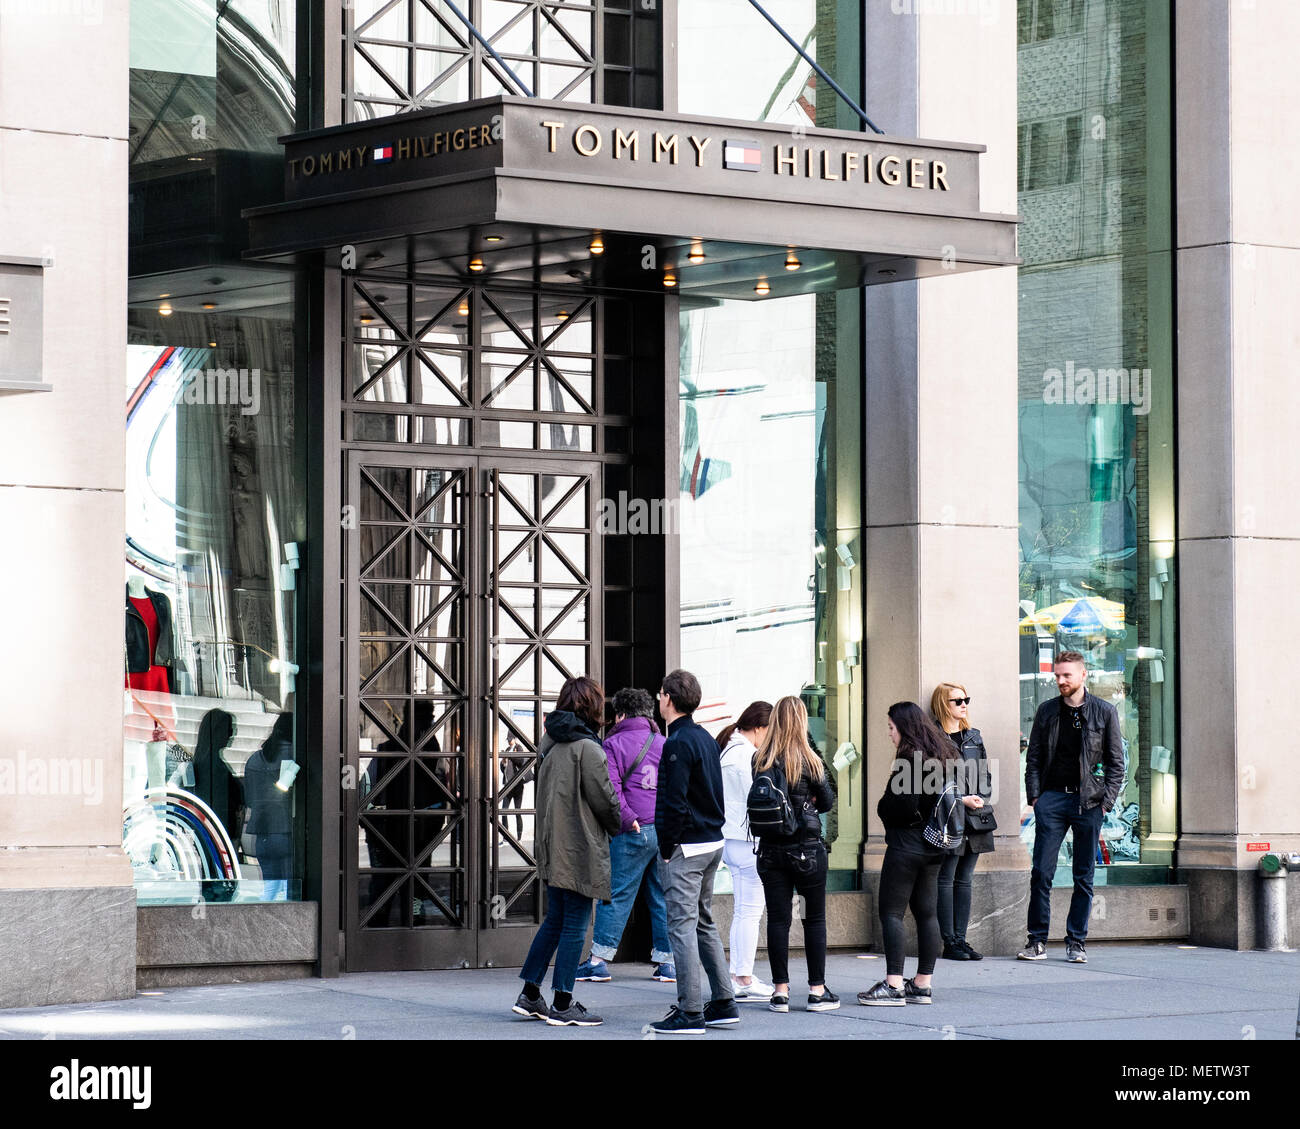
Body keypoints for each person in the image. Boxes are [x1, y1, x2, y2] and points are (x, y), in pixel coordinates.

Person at [512, 676, 621, 1027]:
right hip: (579, 845)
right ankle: (562, 1003)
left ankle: (530, 994)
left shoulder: (548, 740)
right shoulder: (589, 749)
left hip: (551, 843)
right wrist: (618, 822)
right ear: (592, 708)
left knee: (555, 920)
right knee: (576, 924)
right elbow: (604, 799)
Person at [1019, 650, 1124, 964]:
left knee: (1083, 876)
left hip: (1088, 802)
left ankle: (1076, 942)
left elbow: (1116, 764)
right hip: (1051, 800)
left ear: (1082, 675)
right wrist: (1036, 798)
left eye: (1066, 675)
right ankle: (1036, 941)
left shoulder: (1104, 712)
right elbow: (1034, 758)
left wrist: (1105, 802)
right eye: (1057, 675)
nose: (1060, 680)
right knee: (1041, 873)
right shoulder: (1047, 711)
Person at [649, 669, 738, 1035]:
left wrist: (667, 847)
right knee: (702, 921)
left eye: (659, 695)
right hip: (712, 841)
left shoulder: (677, 743)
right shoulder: (704, 738)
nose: (657, 700)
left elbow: (675, 800)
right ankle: (723, 1000)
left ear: (669, 698)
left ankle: (690, 1011)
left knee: (681, 927)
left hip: (687, 846)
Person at [859, 701, 960, 1006]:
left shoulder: (909, 759)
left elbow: (900, 807)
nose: (889, 733)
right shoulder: (944, 754)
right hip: (935, 844)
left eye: (891, 727)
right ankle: (922, 984)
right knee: (926, 912)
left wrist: (882, 806)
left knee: (891, 912)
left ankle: (893, 985)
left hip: (906, 845)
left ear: (904, 727)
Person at [574, 687, 675, 984]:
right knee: (661, 896)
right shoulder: (664, 743)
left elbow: (611, 790)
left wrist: (627, 819)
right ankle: (667, 963)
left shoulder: (613, 744)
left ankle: (598, 960)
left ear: (620, 714)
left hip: (633, 830)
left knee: (616, 894)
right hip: (662, 829)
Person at [751, 696, 839, 1013]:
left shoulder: (759, 759)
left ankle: (780, 992)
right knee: (813, 919)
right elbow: (827, 801)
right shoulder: (810, 760)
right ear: (802, 722)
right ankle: (817, 991)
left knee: (778, 920)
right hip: (807, 850)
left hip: (771, 851)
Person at [930, 683, 994, 961]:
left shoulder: (974, 737)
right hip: (949, 815)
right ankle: (950, 941)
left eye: (966, 699)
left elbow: (985, 775)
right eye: (957, 701)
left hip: (976, 816)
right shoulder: (933, 738)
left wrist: (980, 796)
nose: (964, 704)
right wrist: (961, 799)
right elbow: (931, 782)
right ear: (944, 704)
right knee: (947, 877)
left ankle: (962, 939)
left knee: (965, 879)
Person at [717, 701, 775, 1001]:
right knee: (750, 912)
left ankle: (738, 975)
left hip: (731, 839)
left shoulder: (728, 748)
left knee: (744, 911)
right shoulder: (747, 756)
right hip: (747, 840)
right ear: (759, 727)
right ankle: (742, 976)